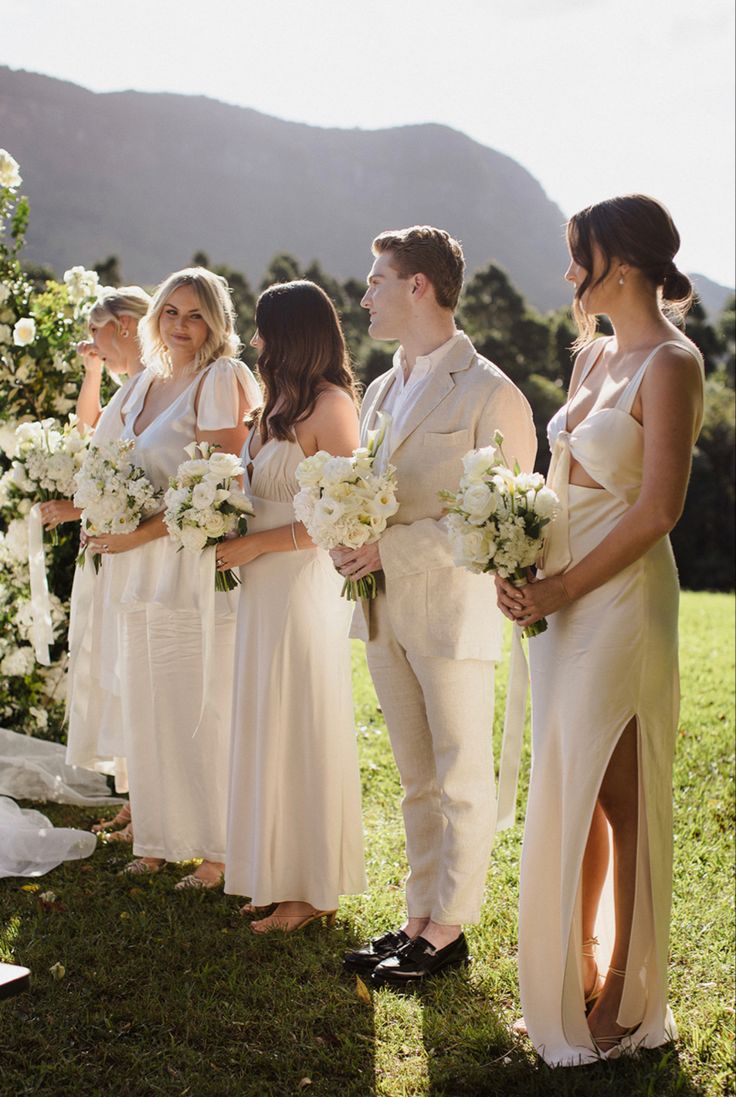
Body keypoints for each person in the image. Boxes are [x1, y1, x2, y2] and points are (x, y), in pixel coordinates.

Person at [495, 195, 704, 1064]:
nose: (568, 272)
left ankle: (627, 989)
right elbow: (555, 478)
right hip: (562, 597)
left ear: (616, 262)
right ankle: (571, 974)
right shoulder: (590, 356)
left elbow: (658, 509)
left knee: (618, 796)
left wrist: (568, 584)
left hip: (621, 600)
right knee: (569, 790)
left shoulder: (673, 363)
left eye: (576, 255)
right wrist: (517, 552)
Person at [335, 226, 536, 986]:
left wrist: (390, 547)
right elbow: (363, 493)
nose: (366, 295)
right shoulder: (381, 390)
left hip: (453, 612)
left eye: (376, 280)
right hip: (385, 610)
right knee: (415, 776)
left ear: (418, 286)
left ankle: (450, 926)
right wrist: (344, 532)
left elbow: (499, 519)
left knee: (459, 774)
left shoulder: (492, 391)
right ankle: (418, 916)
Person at [85, 268, 261, 888]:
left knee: (199, 706)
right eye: (171, 313)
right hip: (135, 568)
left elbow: (218, 482)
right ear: (155, 317)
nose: (181, 326)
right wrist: (102, 510)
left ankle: (218, 851)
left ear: (216, 322)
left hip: (189, 563)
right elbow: (105, 457)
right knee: (147, 701)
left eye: (195, 315)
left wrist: (136, 530)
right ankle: (157, 839)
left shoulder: (222, 378)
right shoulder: (141, 384)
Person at [218, 280, 367, 931]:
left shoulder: (330, 406)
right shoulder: (275, 404)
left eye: (263, 329)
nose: (255, 341)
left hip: (302, 583)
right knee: (264, 720)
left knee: (299, 720)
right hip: (260, 584)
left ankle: (311, 887)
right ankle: (272, 870)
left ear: (293, 334)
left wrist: (258, 543)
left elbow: (345, 514)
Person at [40, 286, 152, 842]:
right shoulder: (129, 389)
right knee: (116, 669)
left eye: (97, 329)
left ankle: (146, 806)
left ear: (127, 325)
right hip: (109, 547)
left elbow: (141, 483)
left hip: (137, 550)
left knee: (132, 669)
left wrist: (76, 507)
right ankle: (136, 806)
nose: (90, 340)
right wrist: (91, 371)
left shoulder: (155, 387)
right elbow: (91, 433)